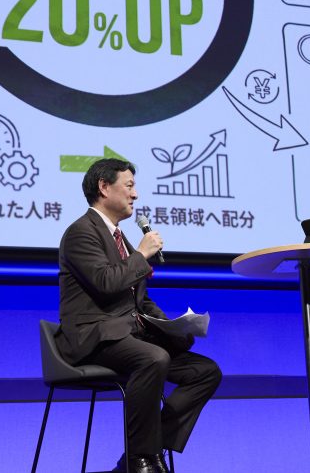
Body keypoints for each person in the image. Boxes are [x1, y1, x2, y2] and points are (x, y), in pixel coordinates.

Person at [57, 159, 221, 473]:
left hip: (127, 336)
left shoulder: (120, 239)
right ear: (104, 188)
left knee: (204, 371)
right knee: (153, 358)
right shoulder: (81, 233)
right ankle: (140, 460)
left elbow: (139, 299)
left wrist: (172, 326)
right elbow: (106, 283)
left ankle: (142, 451)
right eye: (129, 186)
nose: (135, 195)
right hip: (93, 338)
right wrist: (142, 254)